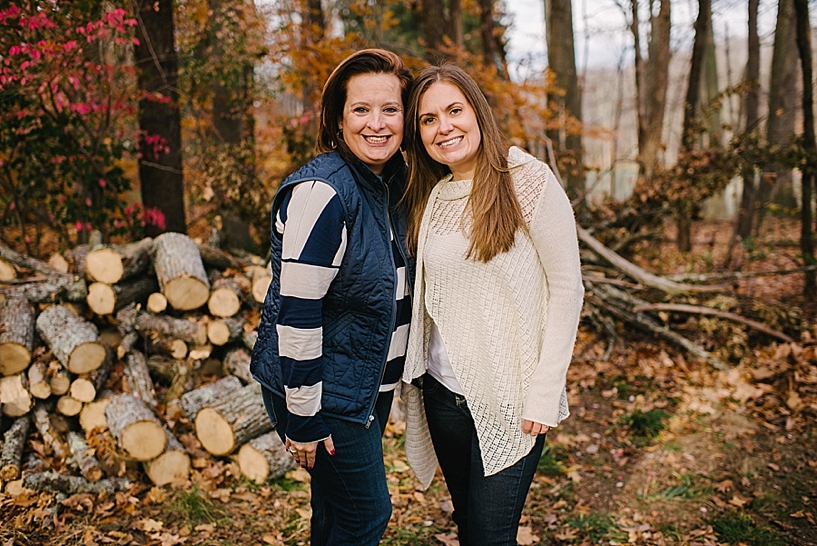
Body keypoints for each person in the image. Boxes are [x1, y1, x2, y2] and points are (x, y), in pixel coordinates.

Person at [400, 64, 584, 546]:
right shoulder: (433, 194)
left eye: (454, 111)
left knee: (490, 534)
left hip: (511, 397)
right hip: (443, 396)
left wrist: (545, 391)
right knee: (468, 524)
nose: (444, 127)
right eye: (428, 119)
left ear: (478, 112)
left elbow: (567, 288)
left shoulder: (528, 180)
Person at [250, 49, 413, 546]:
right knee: (366, 514)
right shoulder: (323, 194)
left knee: (334, 510)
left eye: (390, 109)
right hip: (324, 392)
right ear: (338, 120)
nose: (376, 123)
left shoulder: (389, 186)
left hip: (361, 385)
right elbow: (297, 314)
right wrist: (303, 418)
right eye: (361, 109)